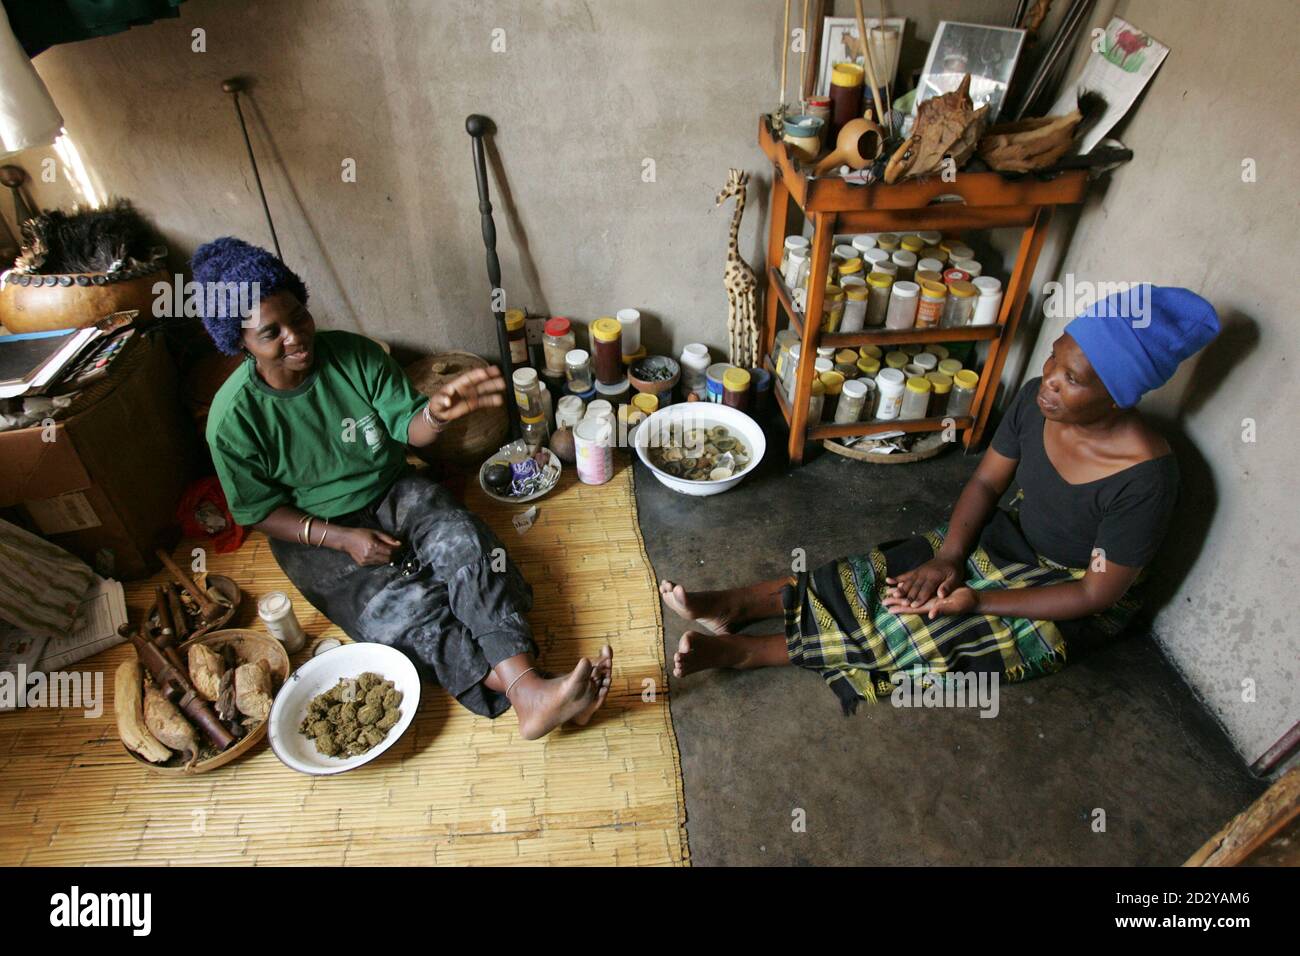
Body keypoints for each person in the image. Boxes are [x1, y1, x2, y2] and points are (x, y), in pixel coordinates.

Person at [660, 285, 1219, 711]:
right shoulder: (1035, 402)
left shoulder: (1144, 480)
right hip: (1012, 535)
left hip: (1066, 591)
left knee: (916, 626)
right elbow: (985, 484)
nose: (1049, 379)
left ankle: (748, 653)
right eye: (1053, 358)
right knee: (884, 574)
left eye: (1072, 378)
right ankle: (741, 605)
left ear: (1119, 397)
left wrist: (979, 600)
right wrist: (949, 557)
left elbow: (1096, 593)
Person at [194, 237, 611, 738]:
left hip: (391, 489)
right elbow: (256, 511)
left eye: (299, 316)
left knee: (465, 544)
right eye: (271, 333)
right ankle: (534, 691)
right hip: (311, 532)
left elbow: (407, 428)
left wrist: (434, 415)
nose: (296, 337)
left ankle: (530, 693)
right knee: (401, 611)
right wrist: (341, 538)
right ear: (239, 341)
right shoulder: (232, 418)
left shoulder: (354, 356)